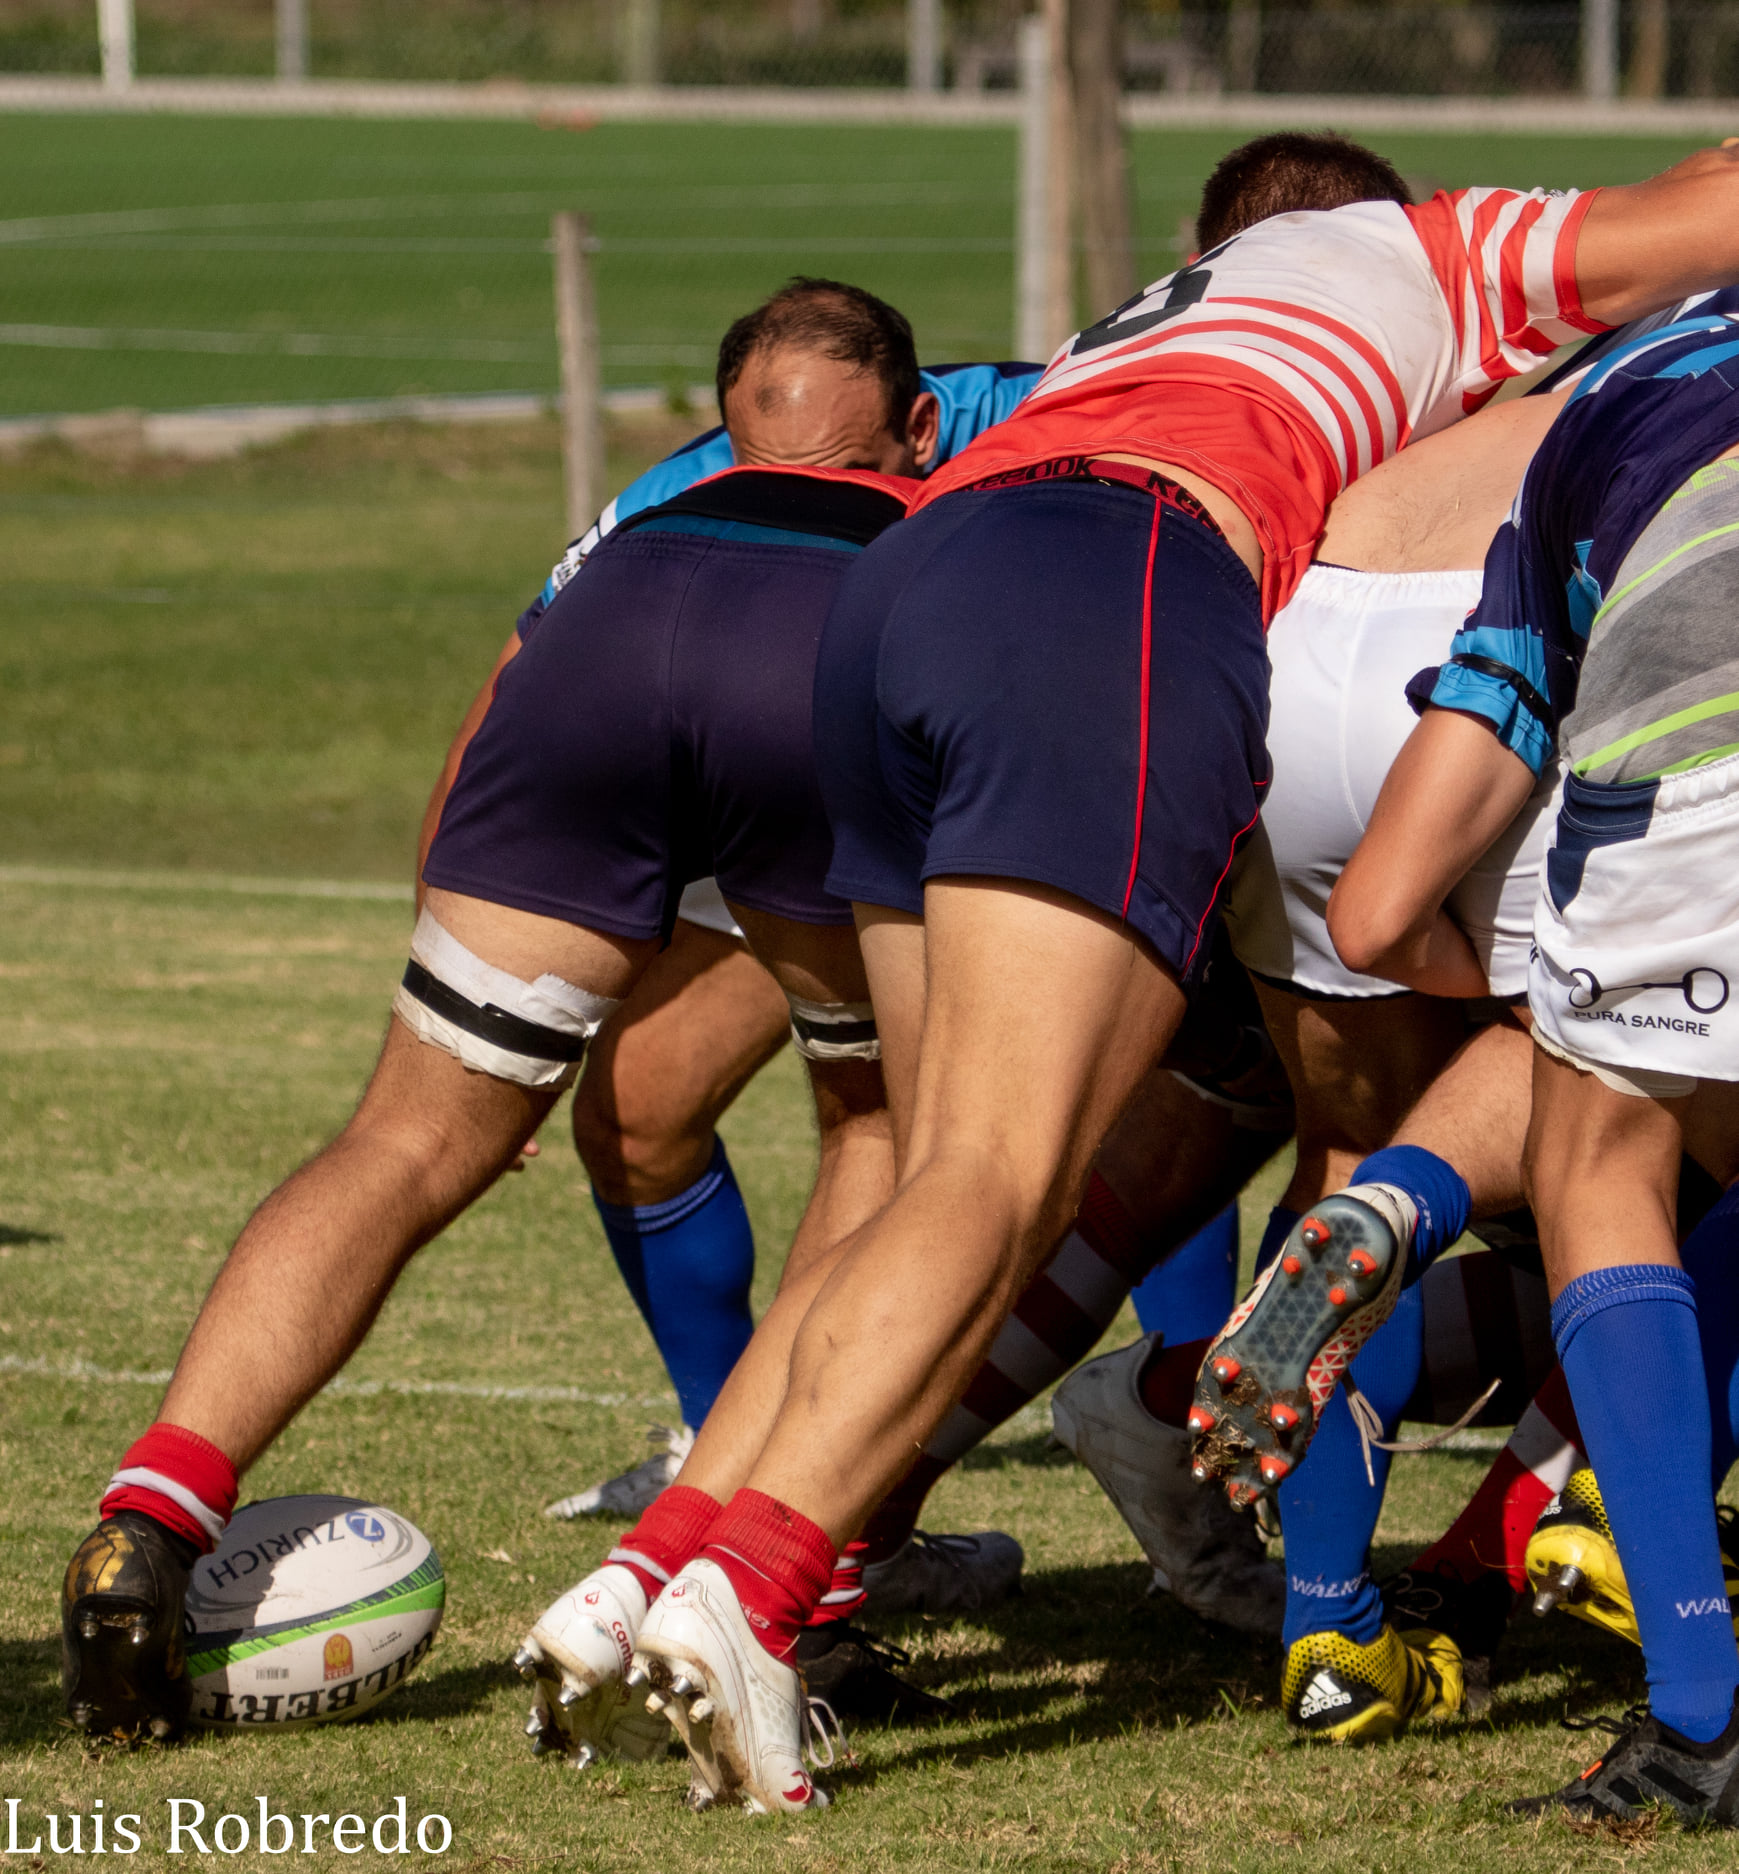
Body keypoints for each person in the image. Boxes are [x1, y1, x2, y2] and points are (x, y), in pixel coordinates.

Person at [583, 130, 1739, 1815]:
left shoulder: (1127, 334)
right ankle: (1539, 1498)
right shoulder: (1457, 273)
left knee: (1065, 1138)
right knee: (1625, 1142)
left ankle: (761, 1559)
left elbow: (1385, 885)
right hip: (1161, 610)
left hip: (1170, 641)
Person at [59, 285, 931, 1746]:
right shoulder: (931, 505)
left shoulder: (643, 518)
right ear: (910, 424)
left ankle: (146, 1520)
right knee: (884, 1133)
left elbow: (494, 708)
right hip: (809, 661)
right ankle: (797, 1600)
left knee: (403, 1140)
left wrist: (472, 1028)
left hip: (594, 669)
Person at [418, 285, 1046, 1526]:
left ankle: (863, 1494)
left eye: (858, 469)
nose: (821, 492)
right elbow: (513, 688)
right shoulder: (684, 490)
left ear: (919, 428)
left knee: (950, 1132)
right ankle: (730, 1451)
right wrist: (472, 1018)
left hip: (982, 784)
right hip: (783, 785)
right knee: (640, 1113)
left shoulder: (1042, 421)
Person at [1061, 377, 1569, 1740]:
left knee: (1353, 1167)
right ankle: (1492, 1560)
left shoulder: (1577, 346)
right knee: (1634, 1158)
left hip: (1304, 634)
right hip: (1495, 642)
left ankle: (1325, 1626)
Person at [1317, 288, 1739, 1820]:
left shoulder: (1613, 384)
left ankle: (1700, 1714)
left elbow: (1385, 892)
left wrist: (1442, 945)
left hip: (1689, 688)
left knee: (1599, 1159)